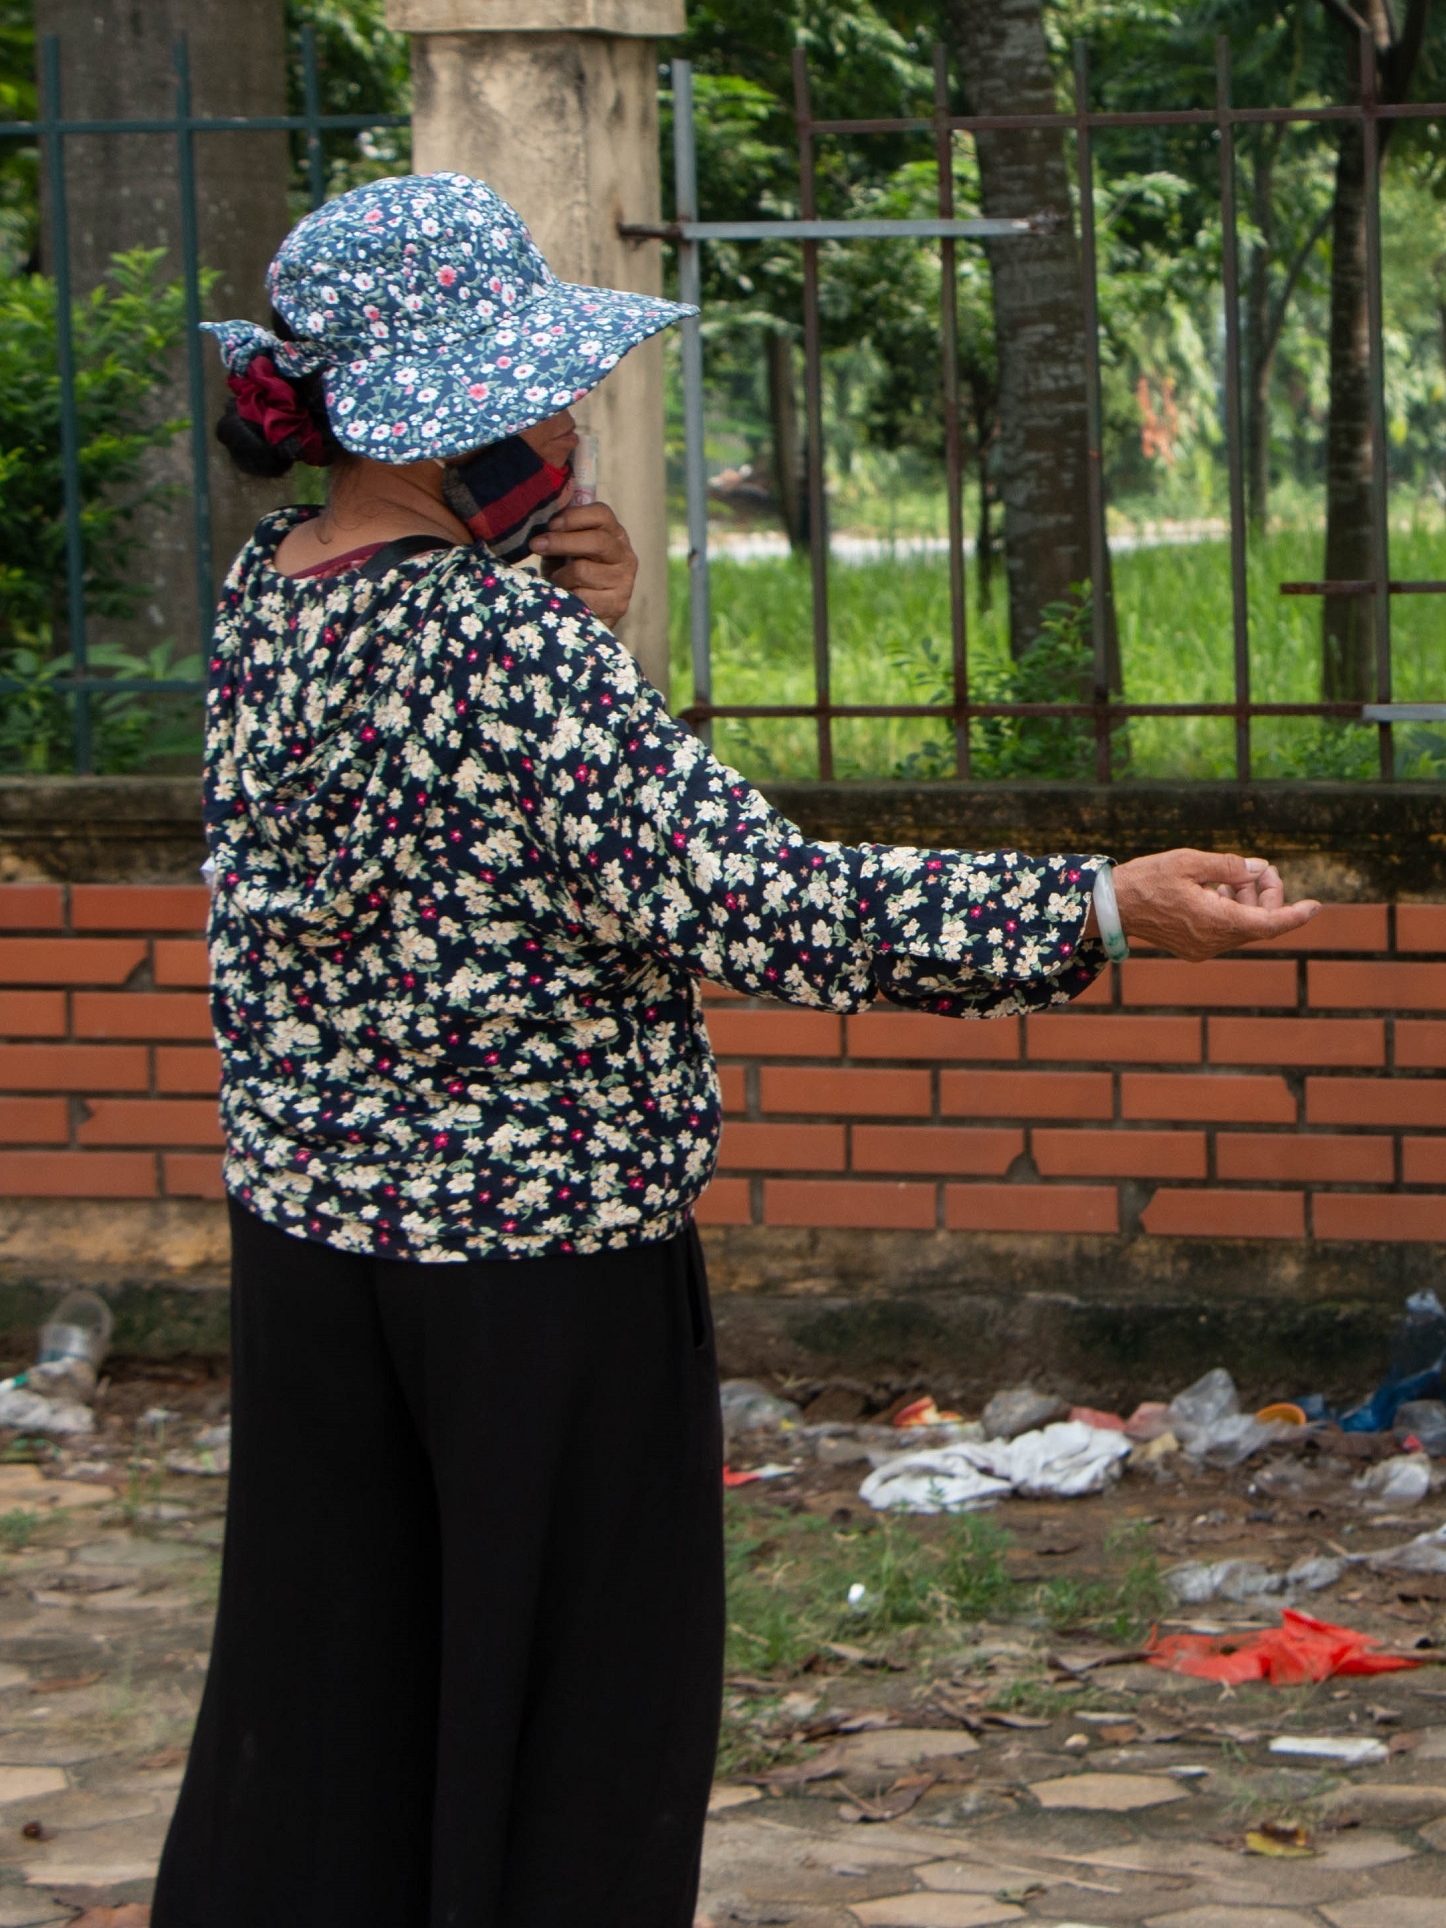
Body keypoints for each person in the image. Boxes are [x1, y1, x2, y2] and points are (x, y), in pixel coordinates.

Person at [153, 172, 1313, 1928]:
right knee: (573, 1738)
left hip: (316, 1257)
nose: (565, 420)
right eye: (540, 384)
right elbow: (762, 903)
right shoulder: (498, 642)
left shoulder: (274, 596)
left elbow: (456, 849)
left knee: (340, 1710)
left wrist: (583, 644)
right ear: (457, 412)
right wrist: (1099, 908)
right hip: (535, 1281)